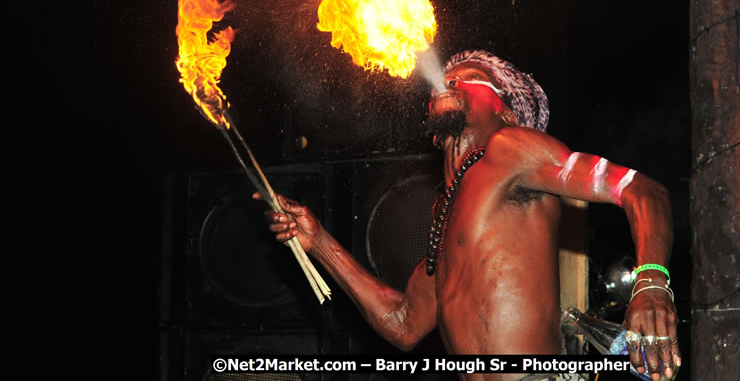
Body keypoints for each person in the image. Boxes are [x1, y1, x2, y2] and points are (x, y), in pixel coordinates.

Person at [263, 50, 680, 381]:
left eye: (470, 77)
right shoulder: (442, 217)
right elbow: (403, 323)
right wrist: (318, 241)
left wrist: (652, 285)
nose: (450, 80)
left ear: (508, 113)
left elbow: (643, 191)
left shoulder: (510, 150)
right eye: (446, 78)